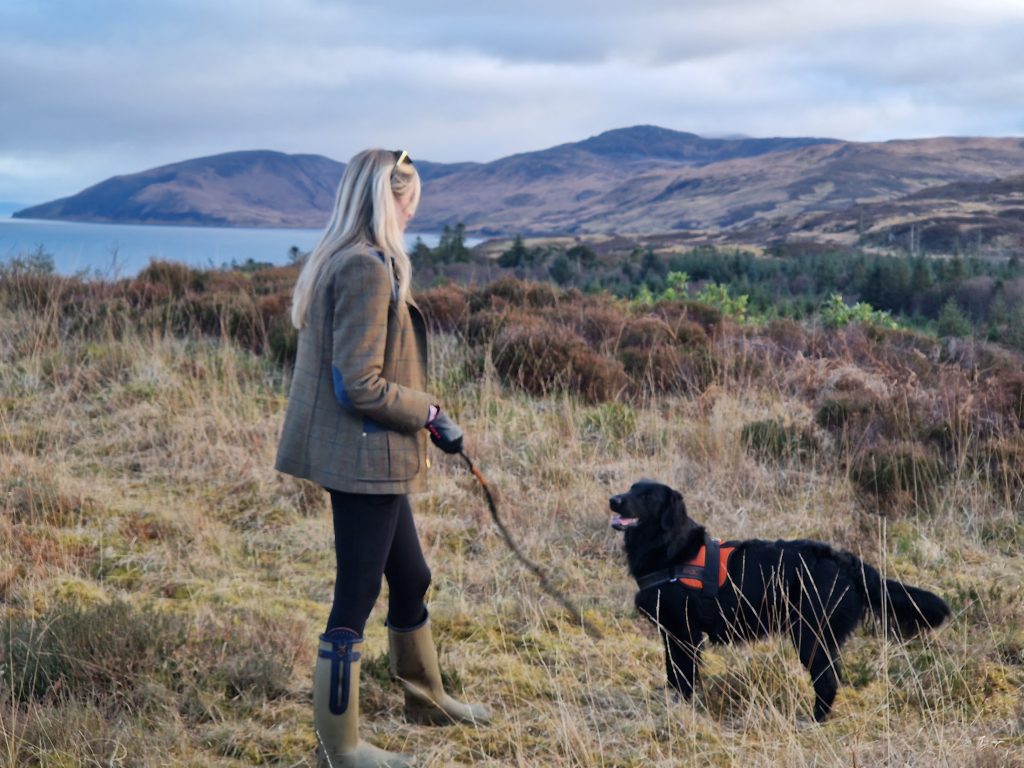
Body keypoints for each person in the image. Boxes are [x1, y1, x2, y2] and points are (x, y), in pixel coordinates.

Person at [275, 148, 489, 768]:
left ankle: (425, 698)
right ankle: (338, 749)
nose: (416, 208)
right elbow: (360, 384)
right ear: (392, 199)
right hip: (363, 459)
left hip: (377, 459)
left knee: (412, 577)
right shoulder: (368, 269)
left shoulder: (352, 259)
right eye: (411, 197)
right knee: (357, 593)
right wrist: (428, 411)